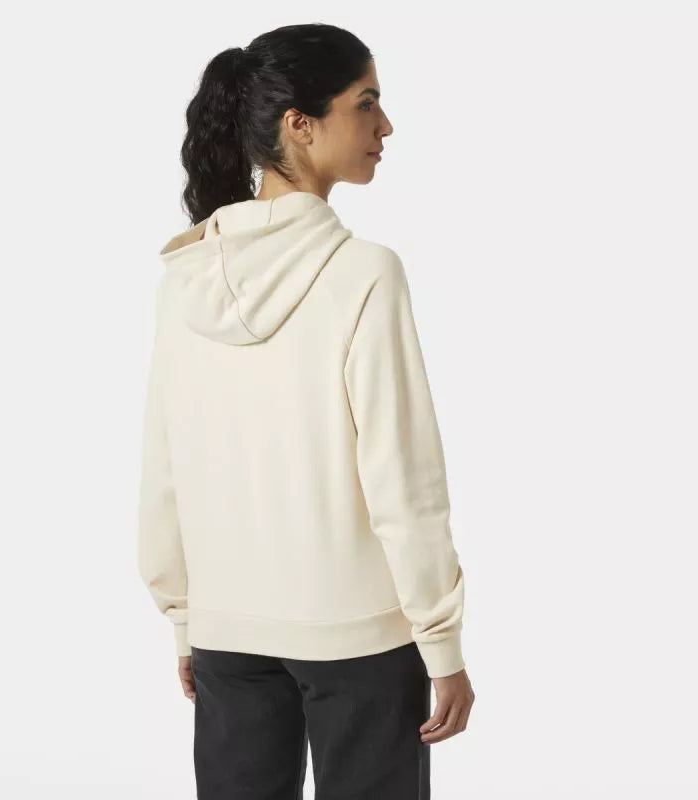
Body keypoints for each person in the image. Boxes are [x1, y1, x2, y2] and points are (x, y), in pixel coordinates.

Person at [137, 22, 475, 799]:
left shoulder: (188, 276)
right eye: (367, 103)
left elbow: (163, 467)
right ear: (300, 124)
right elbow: (403, 478)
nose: (386, 126)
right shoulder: (364, 273)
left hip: (227, 631)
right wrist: (442, 640)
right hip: (359, 639)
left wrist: (187, 616)